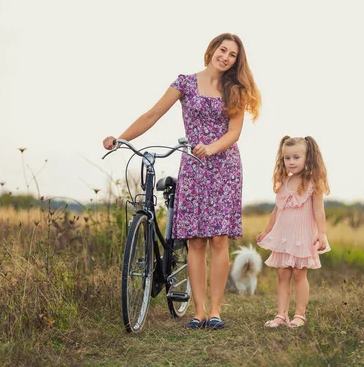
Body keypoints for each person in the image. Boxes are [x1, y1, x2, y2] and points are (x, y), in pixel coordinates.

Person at [103, 33, 261, 329]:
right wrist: (121, 138)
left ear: (236, 62)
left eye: (232, 55)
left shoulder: (235, 89)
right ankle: (198, 312)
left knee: (218, 239)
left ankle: (215, 311)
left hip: (224, 166)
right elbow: (152, 115)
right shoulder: (185, 83)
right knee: (195, 241)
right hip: (193, 166)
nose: (225, 57)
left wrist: (211, 148)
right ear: (212, 49)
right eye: (222, 50)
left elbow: (234, 133)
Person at [256, 136, 330, 328]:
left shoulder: (312, 183)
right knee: (282, 276)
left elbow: (318, 210)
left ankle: (299, 315)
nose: (291, 162)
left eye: (296, 157)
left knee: (299, 275)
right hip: (283, 237)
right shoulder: (283, 183)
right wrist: (267, 231)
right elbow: (276, 211)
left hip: (302, 237)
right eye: (287, 158)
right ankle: (281, 316)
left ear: (308, 157)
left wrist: (321, 233)